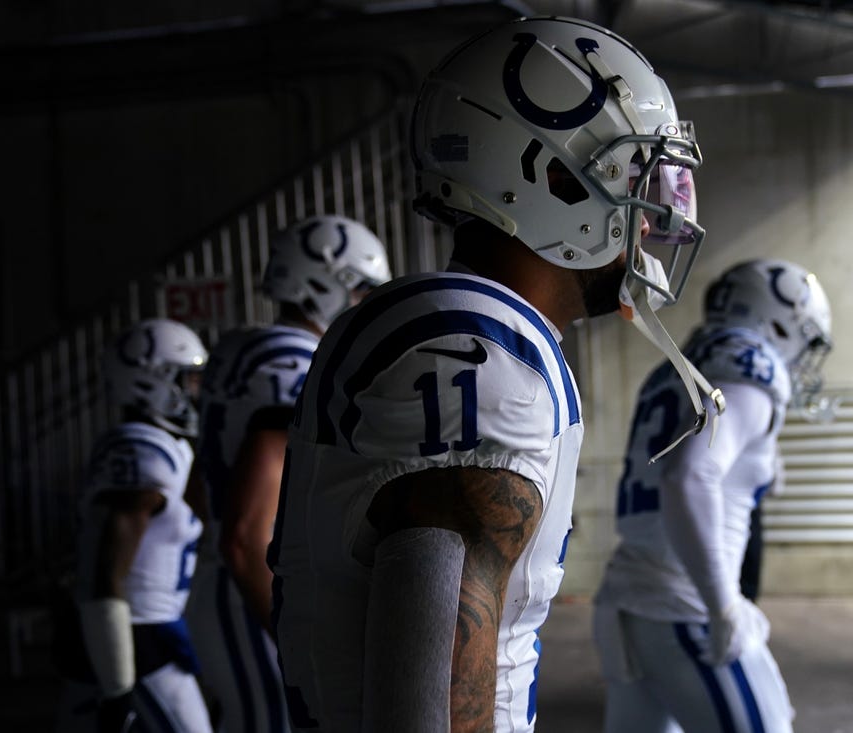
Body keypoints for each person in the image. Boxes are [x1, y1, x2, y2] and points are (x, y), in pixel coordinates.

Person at [267, 15, 716, 733]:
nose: (655, 211)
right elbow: (430, 700)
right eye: (635, 173)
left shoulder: (460, 321)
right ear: (555, 180)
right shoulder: (486, 356)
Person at [593, 258, 833, 733]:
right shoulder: (751, 364)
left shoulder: (683, 360)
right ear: (780, 322)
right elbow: (691, 476)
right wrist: (723, 604)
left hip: (629, 598)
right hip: (685, 606)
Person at [184, 214, 391, 733]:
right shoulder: (295, 362)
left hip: (226, 585)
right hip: (254, 587)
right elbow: (245, 536)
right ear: (323, 284)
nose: (366, 303)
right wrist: (294, 632)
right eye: (361, 289)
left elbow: (204, 495)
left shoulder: (241, 349)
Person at [55, 318, 212, 733]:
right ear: (151, 381)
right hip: (137, 640)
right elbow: (106, 570)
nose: (195, 391)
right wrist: (118, 680)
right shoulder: (141, 450)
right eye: (187, 379)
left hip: (131, 634)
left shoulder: (162, 445)